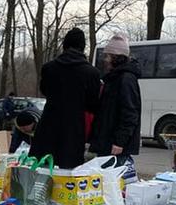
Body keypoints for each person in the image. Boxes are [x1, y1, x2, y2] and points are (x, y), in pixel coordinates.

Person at [30, 27, 101, 168]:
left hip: (48, 124)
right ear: (83, 47)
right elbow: (93, 104)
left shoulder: (49, 68)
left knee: (42, 168)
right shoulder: (92, 73)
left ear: (65, 45)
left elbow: (45, 90)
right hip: (73, 128)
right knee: (69, 171)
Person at [89, 33, 141, 163]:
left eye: (108, 56)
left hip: (114, 147)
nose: (105, 59)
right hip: (108, 143)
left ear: (116, 58)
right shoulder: (114, 79)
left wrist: (120, 142)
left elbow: (130, 113)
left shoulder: (125, 79)